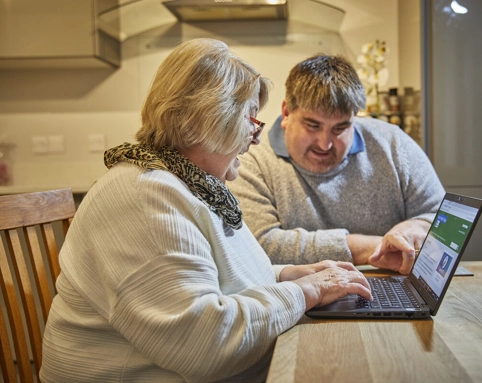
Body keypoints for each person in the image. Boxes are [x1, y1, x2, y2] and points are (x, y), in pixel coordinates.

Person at [40, 39, 372, 383]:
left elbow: (218, 283)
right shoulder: (144, 196)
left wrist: (287, 275)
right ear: (208, 122)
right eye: (250, 120)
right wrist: (308, 291)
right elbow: (205, 343)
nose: (255, 138)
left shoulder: (192, 184)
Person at [228, 54, 445, 275]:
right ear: (286, 113)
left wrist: (417, 228)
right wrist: (374, 248)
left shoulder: (393, 144)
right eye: (312, 125)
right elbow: (258, 244)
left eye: (340, 128)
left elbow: (444, 220)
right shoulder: (250, 158)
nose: (325, 143)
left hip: (395, 290)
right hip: (297, 298)